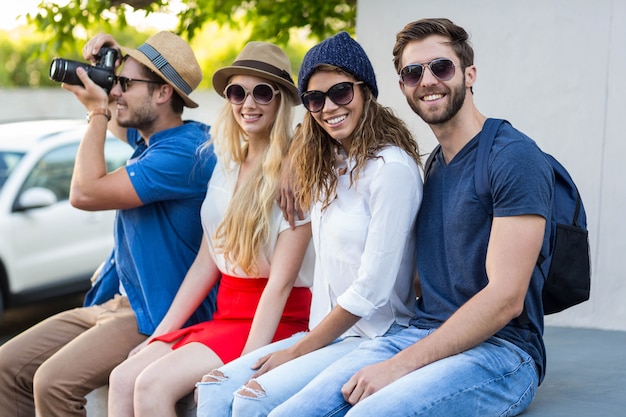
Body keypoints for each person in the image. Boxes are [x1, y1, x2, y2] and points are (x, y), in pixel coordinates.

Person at [268, 18, 554, 417]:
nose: (428, 80)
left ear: (469, 74)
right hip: (420, 335)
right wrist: (290, 156)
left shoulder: (512, 158)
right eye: (413, 72)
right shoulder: (434, 165)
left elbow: (504, 299)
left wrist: (399, 366)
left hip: (501, 352)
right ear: (402, 87)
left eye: (442, 67)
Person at [195, 31, 423, 417]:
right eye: (315, 99)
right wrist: (292, 158)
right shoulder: (329, 166)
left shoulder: (392, 170)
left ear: (366, 90)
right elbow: (297, 135)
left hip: (378, 337)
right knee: (214, 388)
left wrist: (298, 350)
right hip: (327, 336)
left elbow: (370, 293)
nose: (328, 106)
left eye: (341, 92)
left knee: (257, 403)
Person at [0, 31, 217, 417]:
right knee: (7, 366)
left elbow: (84, 193)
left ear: (164, 93)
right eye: (116, 82)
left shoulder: (186, 153)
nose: (115, 91)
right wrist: (110, 61)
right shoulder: (152, 138)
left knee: (53, 383)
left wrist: (97, 111)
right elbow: (121, 122)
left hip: (154, 312)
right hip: (115, 302)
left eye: (125, 84)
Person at [105, 41, 314, 417]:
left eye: (261, 92)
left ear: (281, 100)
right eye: (237, 92)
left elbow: (280, 284)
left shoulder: (294, 175)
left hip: (274, 319)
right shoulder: (226, 163)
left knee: (152, 386)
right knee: (123, 377)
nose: (247, 103)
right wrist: (160, 335)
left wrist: (245, 364)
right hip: (225, 315)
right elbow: (206, 261)